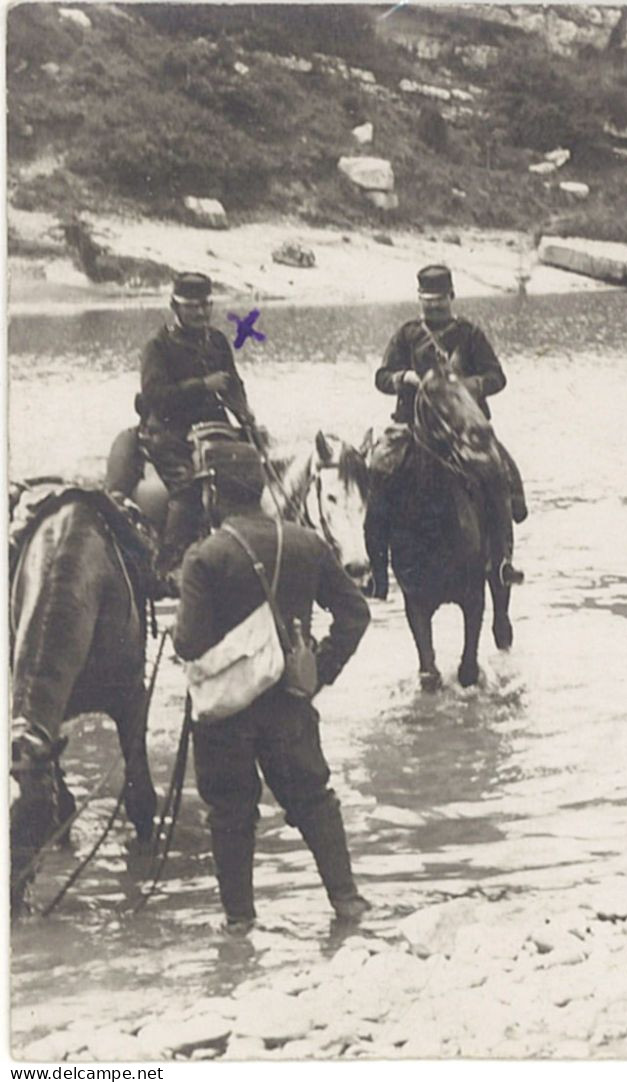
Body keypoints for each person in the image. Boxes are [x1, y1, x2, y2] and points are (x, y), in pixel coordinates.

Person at [174, 440, 372, 931]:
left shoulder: (205, 557)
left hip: (226, 714)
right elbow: (355, 613)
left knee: (230, 815)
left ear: (214, 495)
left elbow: (188, 643)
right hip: (290, 704)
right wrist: (318, 670)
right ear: (260, 487)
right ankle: (347, 904)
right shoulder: (307, 544)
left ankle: (239, 926)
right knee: (314, 800)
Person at [365, 265, 526, 600]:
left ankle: (502, 561)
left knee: (499, 471)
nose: (434, 307)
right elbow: (382, 376)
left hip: (463, 427)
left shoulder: (469, 334)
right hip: (411, 426)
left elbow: (497, 377)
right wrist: (405, 378)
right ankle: (377, 572)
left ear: (451, 297)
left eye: (440, 301)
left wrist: (466, 386)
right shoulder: (407, 334)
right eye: (427, 301)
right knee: (376, 473)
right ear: (419, 299)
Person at [132, 272, 257, 588]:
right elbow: (155, 396)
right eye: (192, 307)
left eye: (205, 306)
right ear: (175, 306)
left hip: (215, 429)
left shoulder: (216, 341)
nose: (200, 313)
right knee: (188, 486)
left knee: (250, 476)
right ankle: (170, 564)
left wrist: (245, 414)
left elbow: (233, 383)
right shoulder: (157, 346)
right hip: (169, 430)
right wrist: (202, 385)